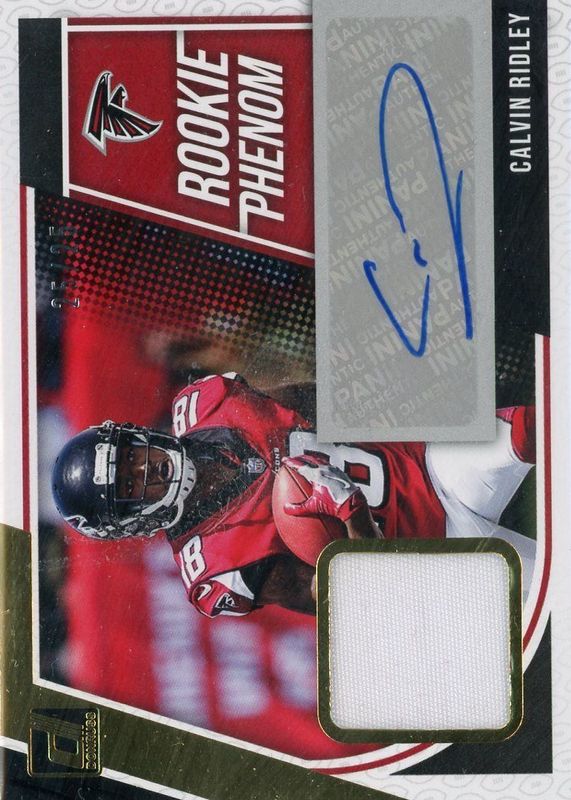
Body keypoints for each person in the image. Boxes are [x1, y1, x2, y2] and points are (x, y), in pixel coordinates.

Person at [52, 373, 536, 618]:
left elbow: (315, 397)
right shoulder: (218, 567)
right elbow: (353, 600)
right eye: (131, 485)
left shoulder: (207, 404)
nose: (146, 467)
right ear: (134, 520)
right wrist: (352, 515)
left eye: (131, 456)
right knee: (553, 586)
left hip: (422, 461)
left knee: (537, 427)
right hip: (432, 555)